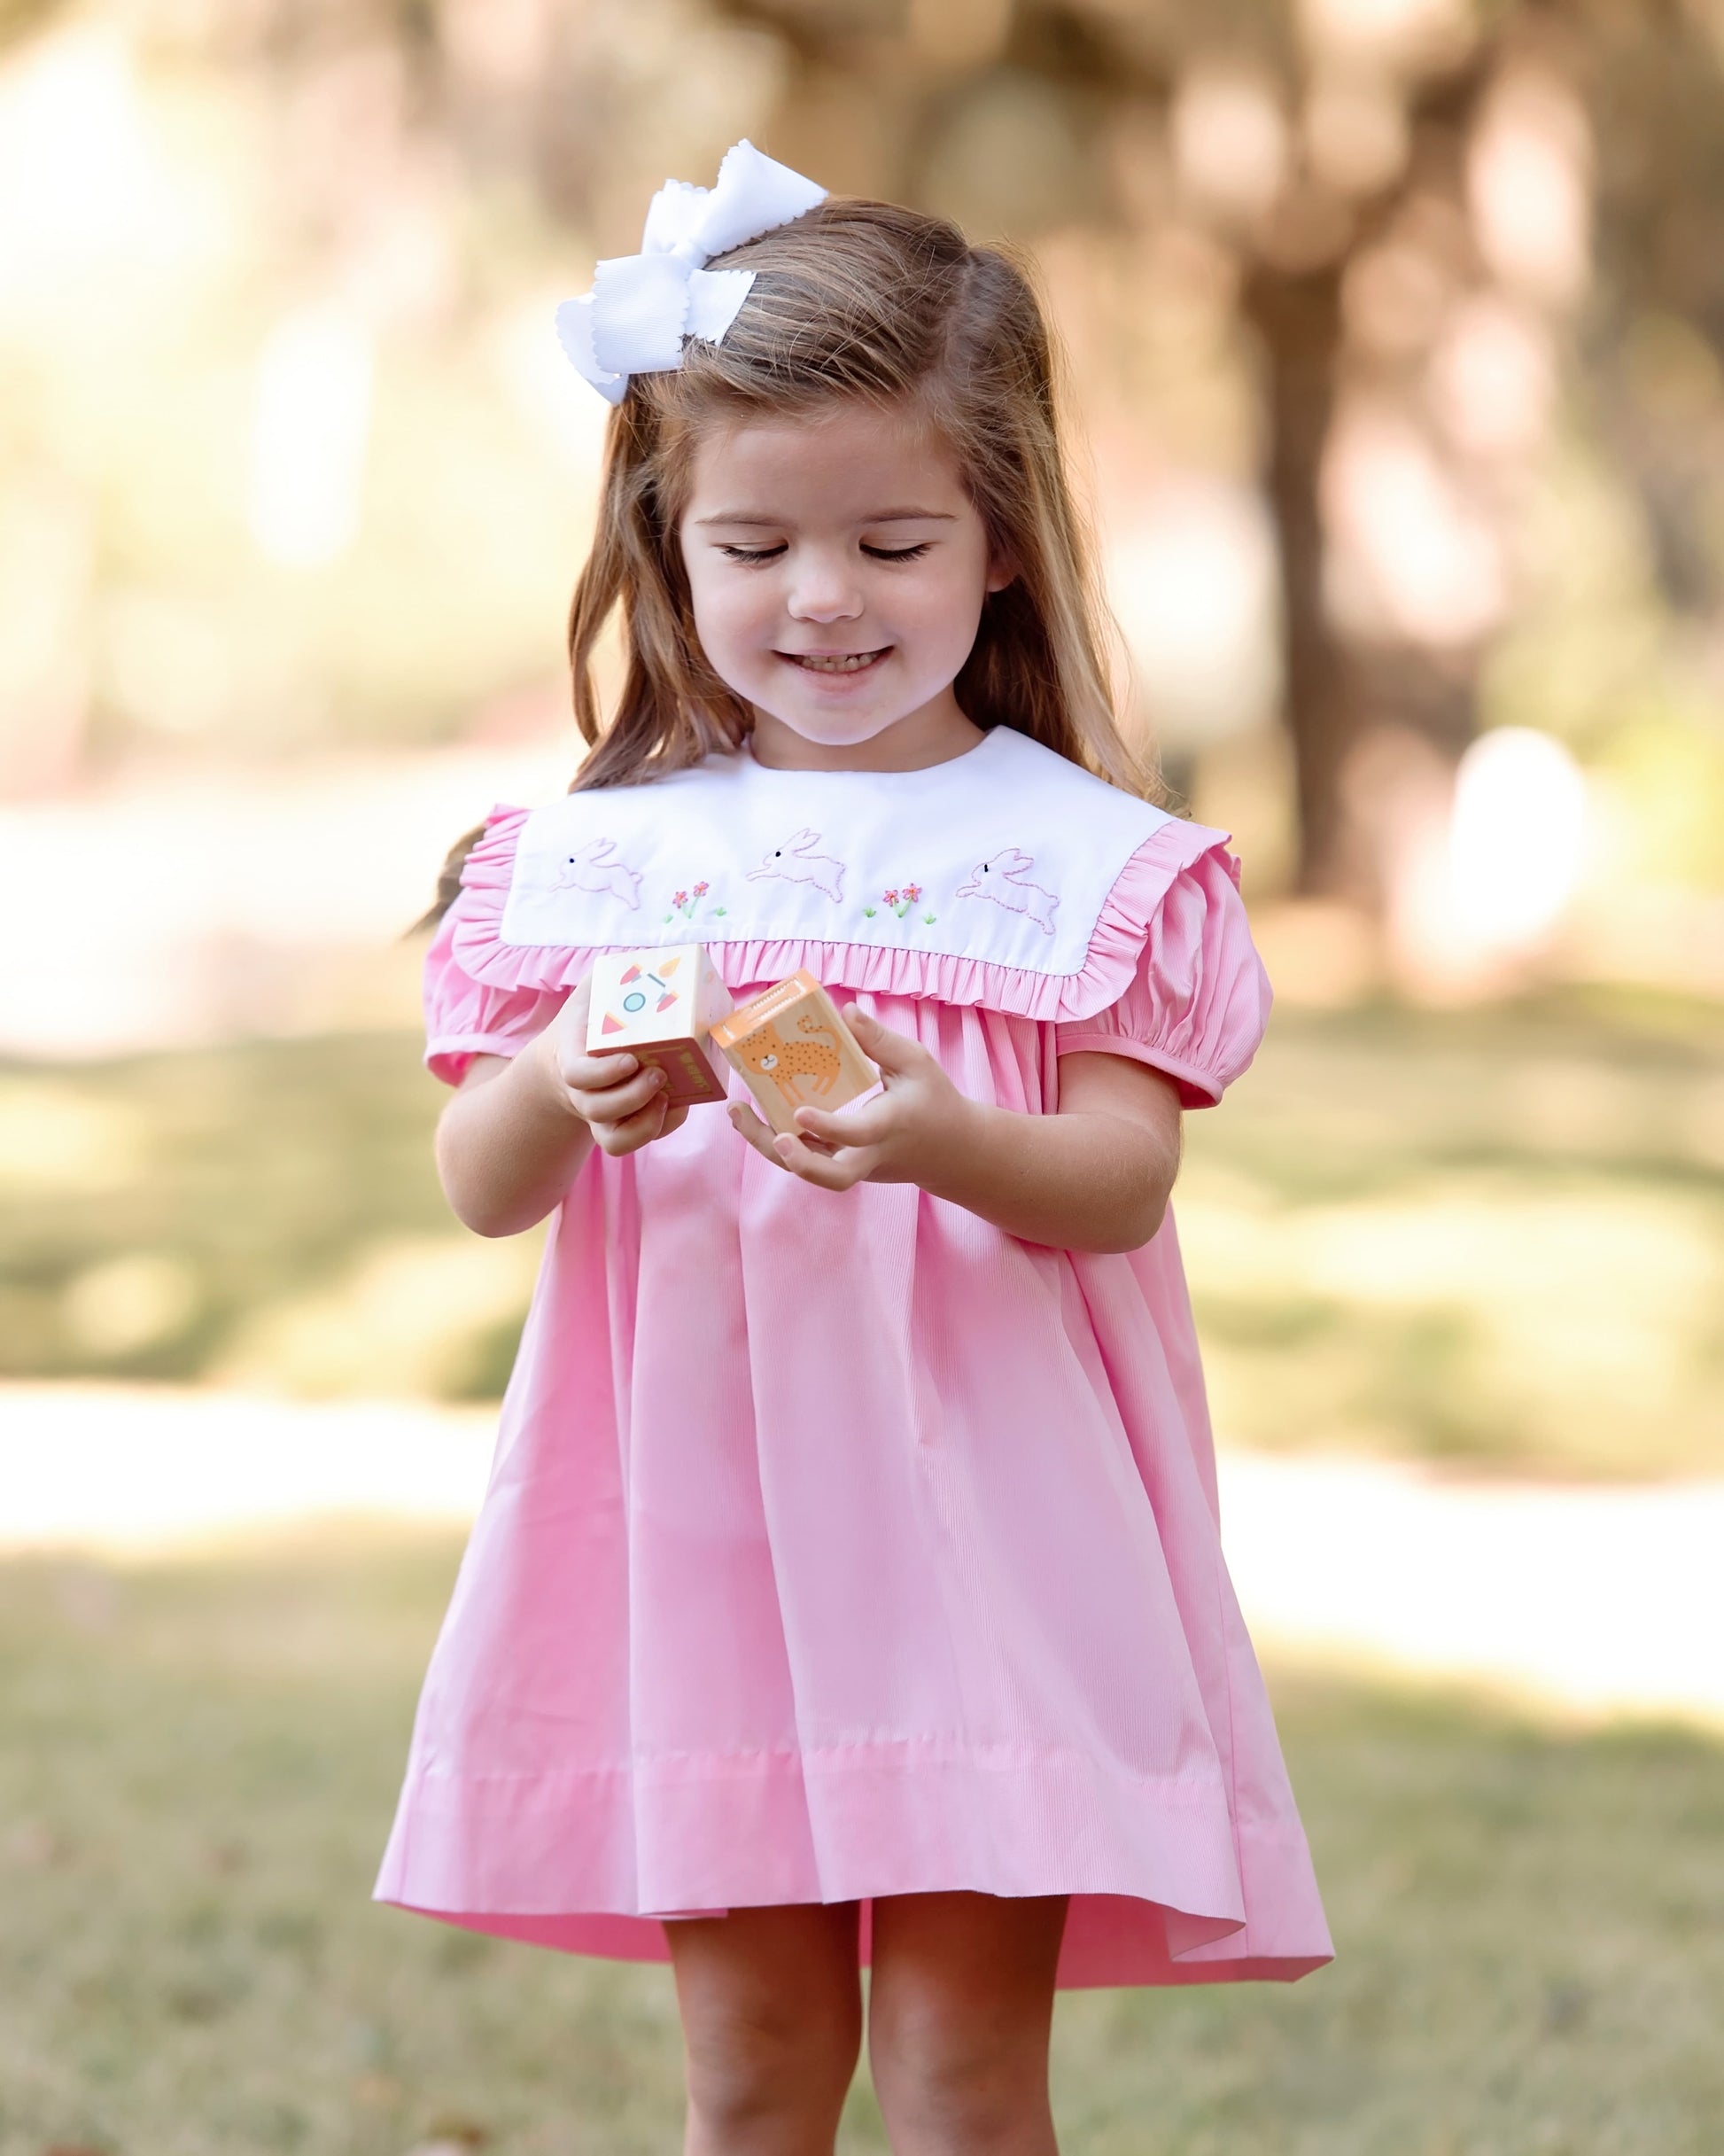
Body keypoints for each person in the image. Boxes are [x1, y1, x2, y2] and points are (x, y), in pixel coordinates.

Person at [377, 140, 1331, 2155]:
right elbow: (481, 1177)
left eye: (894, 541)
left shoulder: (1081, 865)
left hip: (988, 1531)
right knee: (746, 2073)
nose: (824, 600)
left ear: (999, 541)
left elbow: (1122, 1176)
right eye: (758, 547)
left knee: (969, 2077)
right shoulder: (596, 864)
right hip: (697, 1540)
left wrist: (944, 1136)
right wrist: (563, 1080)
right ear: (670, 541)